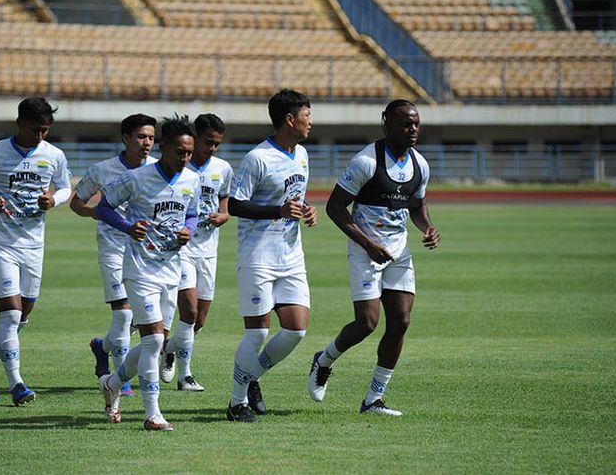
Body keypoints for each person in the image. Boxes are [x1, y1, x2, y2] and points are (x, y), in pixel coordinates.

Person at [307, 99, 440, 416]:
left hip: (399, 252)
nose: (413, 130)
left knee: (401, 321)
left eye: (416, 124)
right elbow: (335, 208)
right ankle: (323, 360)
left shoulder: (420, 165)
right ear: (387, 124)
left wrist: (428, 227)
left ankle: (373, 400)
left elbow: (417, 208)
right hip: (365, 250)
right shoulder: (366, 162)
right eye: (406, 124)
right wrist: (367, 244)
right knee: (367, 323)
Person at [0, 97, 72, 406]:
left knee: (20, 319)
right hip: (2, 243)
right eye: (36, 129)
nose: (41, 136)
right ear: (20, 123)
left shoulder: (54, 155)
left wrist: (54, 200)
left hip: (34, 246)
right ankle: (17, 383)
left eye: (46, 130)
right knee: (10, 315)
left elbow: (65, 187)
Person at [95, 115, 200, 431]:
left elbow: (192, 214)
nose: (184, 159)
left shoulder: (190, 180)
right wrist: (129, 227)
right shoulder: (138, 178)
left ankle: (112, 383)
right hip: (139, 270)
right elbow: (103, 206)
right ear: (164, 146)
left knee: (156, 341)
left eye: (189, 154)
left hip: (171, 270)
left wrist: (187, 230)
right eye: (179, 152)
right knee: (154, 339)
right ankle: (152, 414)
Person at [225, 89, 318, 423]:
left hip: (291, 254)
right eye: (307, 115)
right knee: (258, 332)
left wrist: (305, 209)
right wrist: (277, 210)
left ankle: (252, 378)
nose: (311, 121)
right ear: (290, 120)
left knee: (296, 330)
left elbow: (291, 198)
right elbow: (235, 204)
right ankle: (237, 403)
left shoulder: (302, 154)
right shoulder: (257, 158)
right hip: (257, 255)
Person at [69, 114, 157, 397]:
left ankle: (102, 347)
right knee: (123, 315)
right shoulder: (102, 170)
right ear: (126, 138)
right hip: (114, 250)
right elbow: (76, 202)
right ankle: (122, 379)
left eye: (152, 138)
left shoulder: (159, 169)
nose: (147, 143)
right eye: (142, 137)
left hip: (148, 254)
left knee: (137, 319)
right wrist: (99, 213)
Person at [160, 114, 234, 392]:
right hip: (182, 250)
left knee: (199, 320)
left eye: (217, 144)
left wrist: (223, 216)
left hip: (209, 250)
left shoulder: (223, 169)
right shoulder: (179, 165)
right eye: (208, 142)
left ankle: (169, 347)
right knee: (189, 312)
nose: (212, 149)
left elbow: (225, 203)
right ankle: (185, 376)